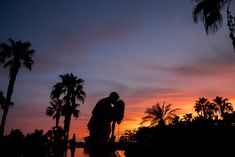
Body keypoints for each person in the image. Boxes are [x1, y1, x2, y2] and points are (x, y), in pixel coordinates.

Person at [87, 92, 120, 157]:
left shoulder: (108, 105)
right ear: (112, 97)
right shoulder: (104, 102)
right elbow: (94, 112)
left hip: (98, 127)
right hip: (96, 127)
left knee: (98, 146)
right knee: (97, 146)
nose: (115, 101)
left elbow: (110, 120)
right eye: (115, 99)